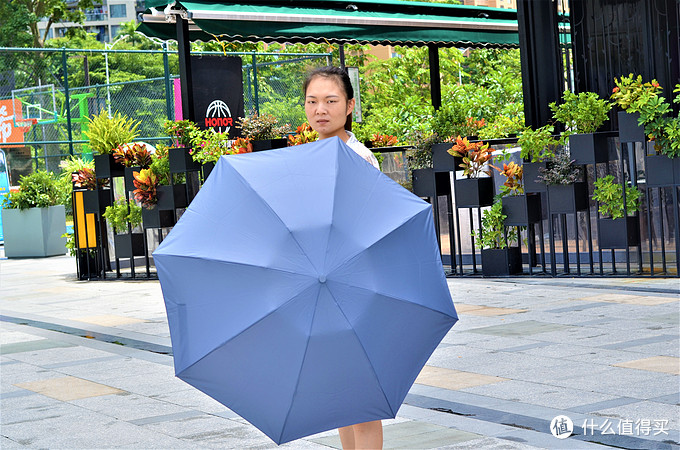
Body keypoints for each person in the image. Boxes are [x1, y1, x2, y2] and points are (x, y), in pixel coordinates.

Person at [303, 66, 383, 450]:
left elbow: (365, 227)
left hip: (351, 287)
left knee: (361, 401)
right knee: (341, 398)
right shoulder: (311, 154)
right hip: (325, 288)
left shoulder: (357, 158)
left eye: (331, 101)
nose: (321, 109)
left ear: (349, 106)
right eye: (312, 101)